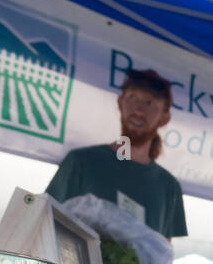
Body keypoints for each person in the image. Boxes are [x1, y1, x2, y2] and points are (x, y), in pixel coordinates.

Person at [45, 68, 187, 240]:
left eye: (150, 103)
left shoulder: (169, 187)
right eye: (132, 98)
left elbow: (163, 254)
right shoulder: (81, 162)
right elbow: (45, 224)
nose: (139, 110)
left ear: (164, 119)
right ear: (120, 103)